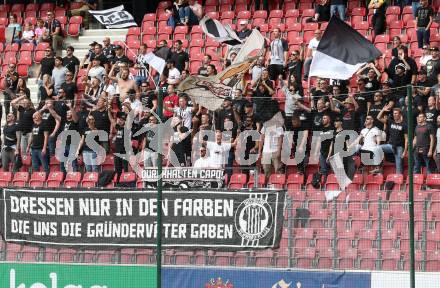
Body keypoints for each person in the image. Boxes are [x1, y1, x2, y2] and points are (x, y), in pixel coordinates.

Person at [378, 106, 408, 174]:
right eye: (394, 113)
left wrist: (405, 151)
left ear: (400, 114)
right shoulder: (390, 121)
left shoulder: (404, 125)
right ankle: (379, 167)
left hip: (399, 147)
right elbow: (378, 118)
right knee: (377, 148)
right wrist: (383, 109)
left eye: (396, 113)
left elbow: (406, 139)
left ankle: (399, 182)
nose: (394, 114)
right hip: (390, 145)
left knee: (399, 167)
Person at [109, 111, 130, 182]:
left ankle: (127, 182)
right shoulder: (118, 128)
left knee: (125, 169)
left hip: (124, 152)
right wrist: (108, 110)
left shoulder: (127, 128)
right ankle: (118, 183)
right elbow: (111, 120)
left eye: (122, 120)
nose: (120, 121)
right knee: (118, 169)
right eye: (120, 120)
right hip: (117, 152)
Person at [59, 102, 79, 174]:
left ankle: (75, 177)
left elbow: (75, 118)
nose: (68, 114)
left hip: (72, 145)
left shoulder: (75, 122)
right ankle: (62, 177)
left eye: (69, 113)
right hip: (64, 145)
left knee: (73, 163)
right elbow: (55, 115)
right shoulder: (64, 122)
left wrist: (71, 107)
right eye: (67, 113)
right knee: (62, 163)